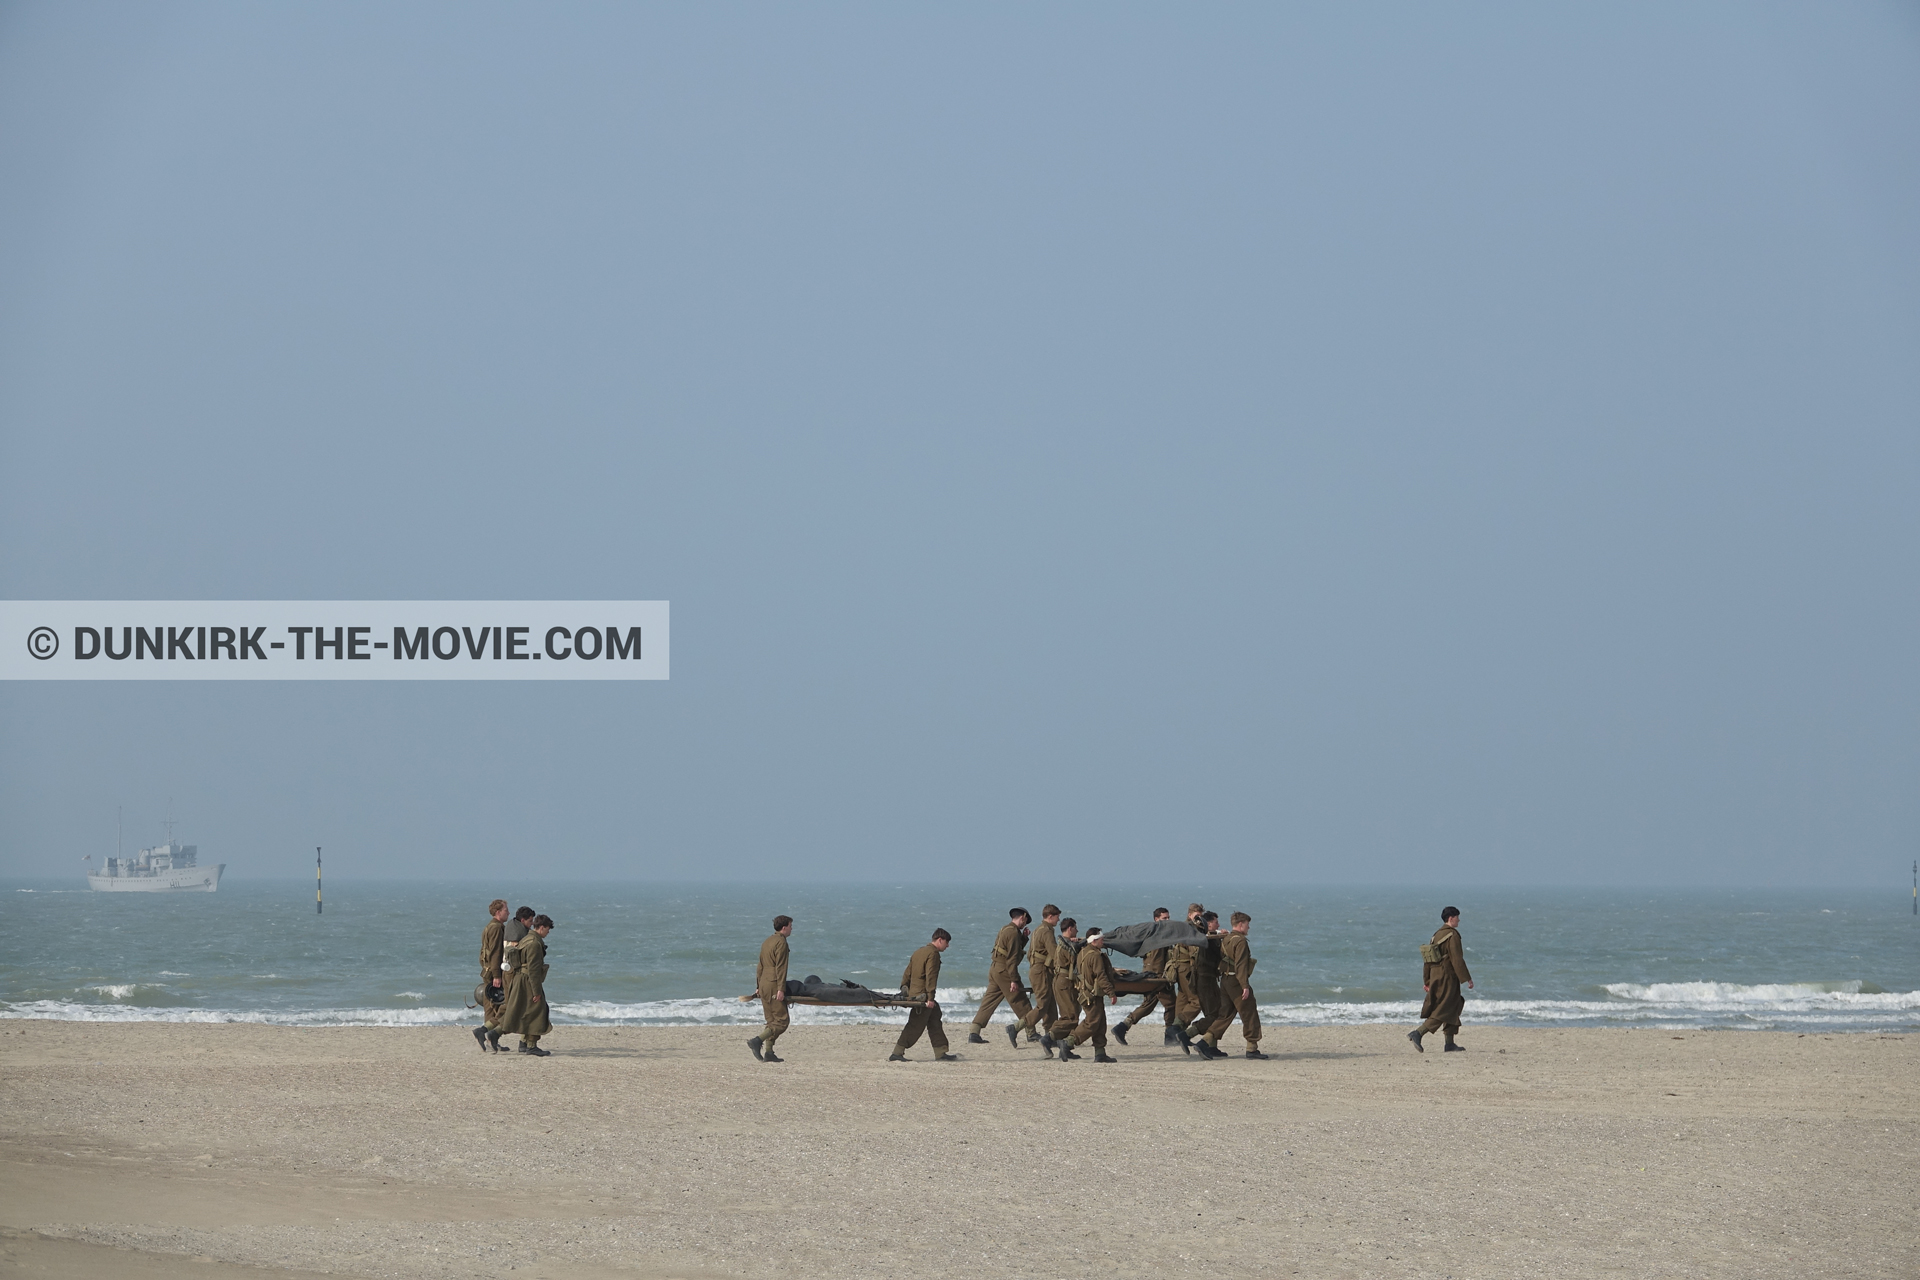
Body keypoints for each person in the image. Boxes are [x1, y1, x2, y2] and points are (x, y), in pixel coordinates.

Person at [1199, 911, 1266, 1059]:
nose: (1249, 928)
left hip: (1225, 980)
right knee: (1249, 1013)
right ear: (1241, 924)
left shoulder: (1227, 938)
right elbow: (1241, 965)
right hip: (1236, 981)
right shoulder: (1240, 941)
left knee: (1225, 1014)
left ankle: (1205, 1041)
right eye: (1247, 925)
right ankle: (1252, 1048)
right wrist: (1245, 986)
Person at [1410, 906, 1473, 1053]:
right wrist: (1467, 979)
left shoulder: (1436, 935)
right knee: (1444, 1007)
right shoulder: (1452, 935)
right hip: (1447, 977)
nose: (1459, 919)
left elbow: (1427, 960)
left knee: (1455, 1004)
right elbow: (1457, 959)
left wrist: (1427, 980)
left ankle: (1449, 1043)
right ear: (1451, 918)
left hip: (1436, 976)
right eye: (1457, 917)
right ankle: (1418, 1033)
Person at [968, 908, 1034, 1047]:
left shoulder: (1005, 929)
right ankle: (1031, 1033)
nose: (1025, 924)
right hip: (1004, 970)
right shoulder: (1014, 933)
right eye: (1025, 921)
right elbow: (1012, 958)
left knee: (989, 1002)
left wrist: (1023, 938)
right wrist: (1014, 980)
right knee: (1021, 1001)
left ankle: (974, 1032)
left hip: (995, 969)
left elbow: (1009, 949)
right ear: (1022, 917)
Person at [889, 929, 956, 1061]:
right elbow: (931, 977)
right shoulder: (933, 954)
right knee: (915, 1024)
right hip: (922, 996)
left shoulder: (918, 952)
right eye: (947, 942)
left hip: (915, 993)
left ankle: (940, 1051)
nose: (948, 946)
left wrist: (904, 989)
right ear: (940, 940)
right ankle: (897, 1053)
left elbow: (907, 973)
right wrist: (930, 998)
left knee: (935, 1016)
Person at [1114, 906, 1174, 1047]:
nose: (1167, 920)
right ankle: (1170, 1036)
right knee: (1170, 1004)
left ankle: (1123, 1026)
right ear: (1156, 919)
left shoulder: (1158, 934)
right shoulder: (1155, 935)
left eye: (1168, 918)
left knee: (1149, 1004)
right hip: (1156, 976)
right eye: (1164, 918)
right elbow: (1154, 959)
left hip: (1155, 975)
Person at [499, 914, 555, 1056]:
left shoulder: (527, 938)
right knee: (537, 1011)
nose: (548, 933)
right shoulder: (534, 944)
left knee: (520, 1012)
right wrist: (536, 992)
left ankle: (519, 1041)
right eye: (547, 930)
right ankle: (531, 1045)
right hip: (527, 981)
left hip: (520, 979)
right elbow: (534, 970)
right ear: (541, 927)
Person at [1060, 928, 1119, 1063]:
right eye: (1101, 939)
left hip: (1086, 992)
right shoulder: (1095, 956)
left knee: (1100, 1023)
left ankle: (1100, 1053)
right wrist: (1111, 993)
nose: (1103, 941)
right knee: (1092, 1022)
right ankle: (1069, 1042)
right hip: (1092, 995)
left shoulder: (1083, 952)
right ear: (1094, 940)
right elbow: (1101, 976)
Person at [486, 906, 536, 1052]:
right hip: (513, 974)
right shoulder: (518, 932)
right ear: (523, 920)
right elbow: (502, 954)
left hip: (508, 972)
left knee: (514, 1007)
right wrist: (496, 975)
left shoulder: (511, 927)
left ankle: (521, 1041)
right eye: (530, 921)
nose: (531, 924)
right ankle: (492, 1032)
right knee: (516, 1008)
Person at [749, 915, 793, 1063]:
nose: (791, 929)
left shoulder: (767, 941)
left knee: (771, 1020)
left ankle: (769, 1052)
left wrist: (758, 986)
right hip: (774, 983)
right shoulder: (781, 942)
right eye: (790, 926)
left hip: (764, 983)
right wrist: (781, 988)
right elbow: (781, 968)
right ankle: (757, 1040)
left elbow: (760, 965)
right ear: (784, 927)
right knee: (781, 1021)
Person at [1020, 905, 1062, 1045]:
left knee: (1050, 1004)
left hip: (1039, 969)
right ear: (1050, 916)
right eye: (1057, 916)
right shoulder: (1046, 932)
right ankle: (1017, 1027)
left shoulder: (1039, 929)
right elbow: (1054, 953)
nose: (1058, 919)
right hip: (1041, 971)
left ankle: (1050, 1037)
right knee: (1043, 1004)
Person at [1181, 911, 1224, 1043]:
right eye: (1216, 922)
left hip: (1205, 980)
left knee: (1212, 1012)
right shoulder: (1206, 940)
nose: (1218, 925)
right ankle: (1187, 1034)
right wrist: (1223, 938)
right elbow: (1219, 955)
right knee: (1215, 1015)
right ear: (1209, 924)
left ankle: (1212, 1046)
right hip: (1205, 981)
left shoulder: (1206, 938)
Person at [1041, 918, 1083, 1055]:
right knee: (1070, 1017)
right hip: (1064, 982)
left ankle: (1065, 1048)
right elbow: (1073, 956)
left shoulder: (1064, 943)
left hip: (1062, 981)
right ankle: (1049, 1037)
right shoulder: (1065, 946)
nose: (1077, 931)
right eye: (1075, 928)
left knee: (1072, 1013)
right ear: (1070, 928)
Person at [474, 898, 509, 1052]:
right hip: (493, 972)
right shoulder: (496, 928)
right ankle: (488, 1036)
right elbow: (495, 952)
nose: (508, 912)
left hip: (488, 970)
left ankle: (488, 1038)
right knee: (496, 1006)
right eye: (505, 910)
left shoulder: (491, 926)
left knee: (489, 1007)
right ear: (497, 912)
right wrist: (497, 975)